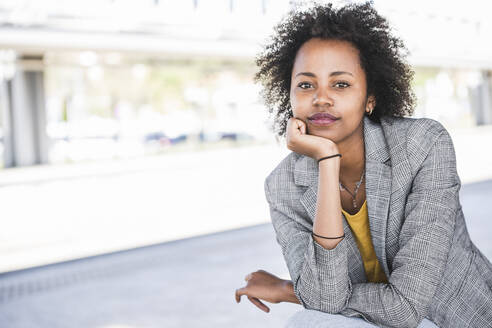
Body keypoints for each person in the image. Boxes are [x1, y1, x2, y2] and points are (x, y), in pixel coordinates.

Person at [234, 2, 492, 327]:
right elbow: (323, 302)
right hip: (370, 320)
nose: (321, 98)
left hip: (459, 320)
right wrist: (328, 162)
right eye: (305, 84)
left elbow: (404, 309)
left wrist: (290, 289)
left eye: (340, 84)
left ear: (370, 97)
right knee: (308, 321)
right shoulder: (283, 185)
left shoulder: (423, 144)